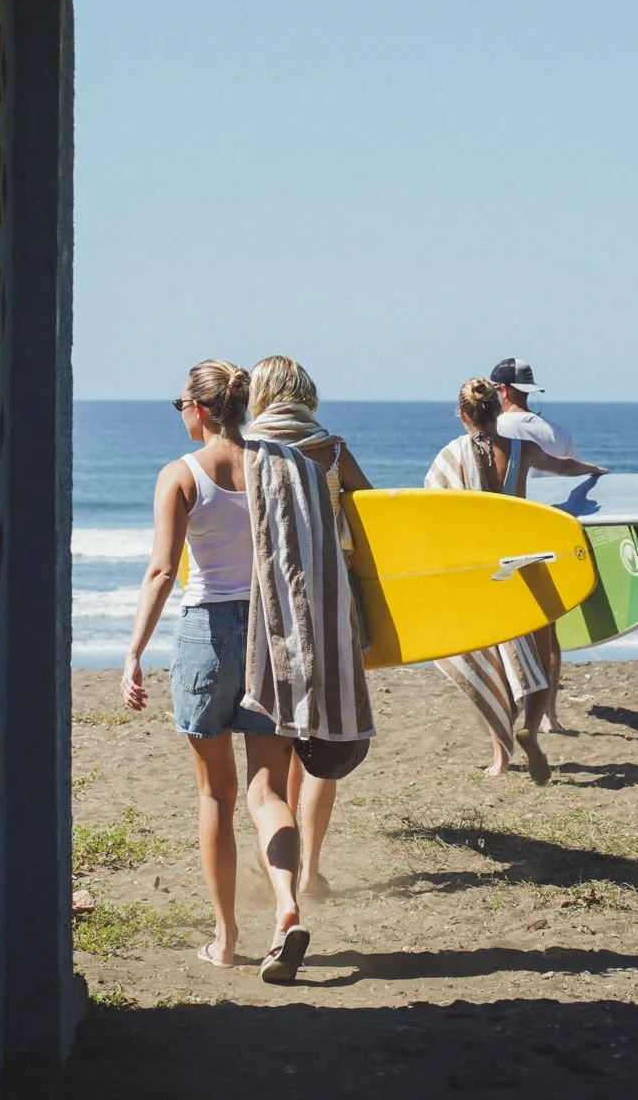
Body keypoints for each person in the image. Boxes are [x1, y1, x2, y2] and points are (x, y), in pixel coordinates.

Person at [118, 360, 311, 983]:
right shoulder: (275, 466)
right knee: (268, 793)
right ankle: (287, 905)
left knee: (215, 795)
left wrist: (133, 652)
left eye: (181, 403)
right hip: (267, 633)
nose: (180, 412)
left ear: (199, 409)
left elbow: (162, 572)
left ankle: (226, 941)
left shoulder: (182, 474)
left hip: (206, 634)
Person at [425, 379, 604, 782]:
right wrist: (593, 471)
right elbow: (565, 467)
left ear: (462, 414)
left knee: (491, 659)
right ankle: (533, 730)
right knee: (538, 657)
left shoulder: (449, 456)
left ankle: (499, 756)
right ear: (497, 410)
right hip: (524, 562)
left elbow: (432, 511)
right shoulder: (521, 450)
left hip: (479, 571)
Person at [244, 354, 372, 899]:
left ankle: (284, 863)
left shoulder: (248, 448)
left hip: (265, 609)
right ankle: (311, 867)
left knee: (279, 734)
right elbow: (373, 523)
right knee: (325, 734)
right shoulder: (333, 450)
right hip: (332, 605)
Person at [491, 356, 580, 732]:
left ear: (504, 390)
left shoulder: (496, 428)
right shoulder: (558, 431)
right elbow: (569, 476)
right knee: (549, 630)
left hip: (510, 534)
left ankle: (511, 712)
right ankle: (549, 715)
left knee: (504, 629)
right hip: (552, 533)